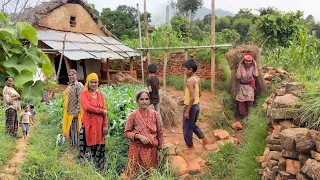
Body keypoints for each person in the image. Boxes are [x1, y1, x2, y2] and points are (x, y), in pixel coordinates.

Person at [122, 91, 163, 179]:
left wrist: (160, 149)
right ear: (137, 101)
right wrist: (139, 136)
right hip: (136, 150)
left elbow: (160, 133)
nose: (144, 101)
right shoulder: (132, 115)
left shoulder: (155, 114)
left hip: (151, 150)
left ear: (149, 101)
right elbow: (126, 132)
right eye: (141, 99)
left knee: (150, 174)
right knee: (134, 174)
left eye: (146, 99)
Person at [79, 73, 108, 171]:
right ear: (88, 83)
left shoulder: (100, 95)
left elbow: (105, 111)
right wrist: (100, 111)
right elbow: (87, 107)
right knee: (89, 144)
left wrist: (105, 125)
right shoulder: (84, 93)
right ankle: (88, 169)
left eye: (95, 82)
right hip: (89, 125)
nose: (94, 84)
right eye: (91, 82)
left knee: (99, 144)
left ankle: (99, 168)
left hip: (99, 126)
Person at [182, 59, 208, 149]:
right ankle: (203, 139)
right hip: (197, 105)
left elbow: (192, 98)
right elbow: (199, 94)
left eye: (184, 69)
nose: (184, 71)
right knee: (191, 125)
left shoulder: (190, 81)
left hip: (191, 107)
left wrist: (187, 112)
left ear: (190, 69)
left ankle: (190, 146)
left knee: (186, 128)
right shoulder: (197, 79)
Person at [62, 69, 84, 146]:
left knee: (75, 129)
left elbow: (80, 99)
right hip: (68, 112)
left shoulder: (79, 85)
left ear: (76, 75)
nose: (71, 76)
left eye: (72, 75)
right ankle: (72, 145)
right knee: (70, 129)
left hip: (75, 112)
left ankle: (74, 147)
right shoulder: (69, 86)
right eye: (70, 75)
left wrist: (77, 111)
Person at [236, 52, 259, 121]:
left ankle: (250, 116)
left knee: (250, 102)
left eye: (250, 61)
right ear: (244, 60)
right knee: (241, 102)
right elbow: (238, 77)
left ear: (252, 61)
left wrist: (255, 66)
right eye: (246, 61)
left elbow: (256, 75)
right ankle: (243, 117)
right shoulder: (241, 67)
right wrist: (239, 67)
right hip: (242, 86)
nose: (248, 62)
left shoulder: (253, 66)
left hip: (250, 86)